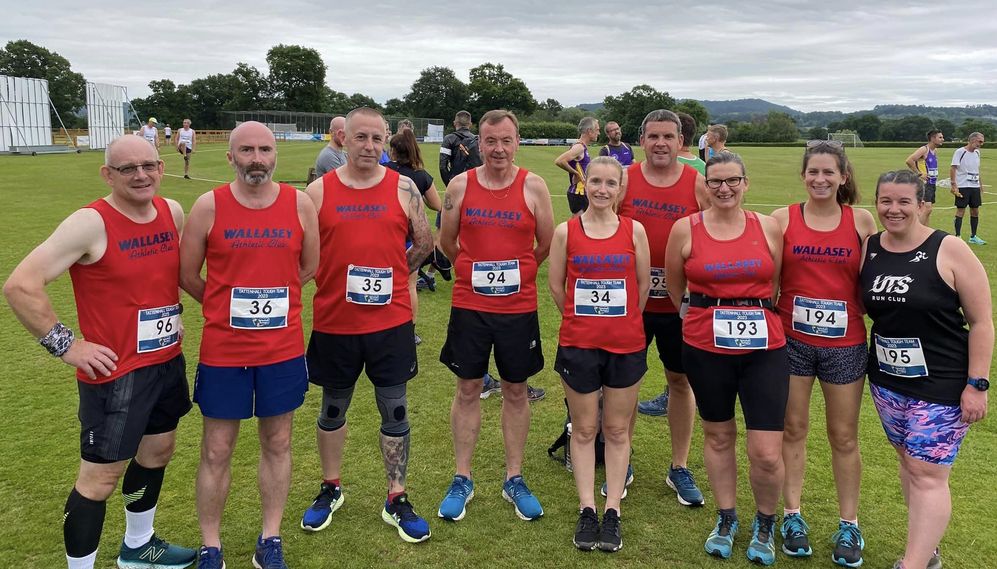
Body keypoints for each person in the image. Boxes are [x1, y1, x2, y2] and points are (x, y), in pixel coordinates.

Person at [4, 135, 196, 569]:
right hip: (116, 375)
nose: (141, 175)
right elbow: (20, 285)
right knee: (100, 478)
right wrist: (67, 345)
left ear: (162, 168)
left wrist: (175, 311)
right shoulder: (90, 223)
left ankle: (139, 545)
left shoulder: (172, 211)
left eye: (148, 165)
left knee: (157, 452)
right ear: (108, 174)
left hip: (165, 361)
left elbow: (161, 276)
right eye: (127, 168)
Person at [179, 121, 319, 569]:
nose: (256, 158)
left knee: (278, 442)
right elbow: (187, 275)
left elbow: (310, 266)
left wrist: (272, 301)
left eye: (264, 150)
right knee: (217, 448)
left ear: (276, 154)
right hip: (224, 351)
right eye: (246, 151)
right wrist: (225, 308)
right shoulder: (208, 206)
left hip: (282, 350)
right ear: (230, 156)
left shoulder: (300, 204)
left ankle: (270, 539)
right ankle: (211, 546)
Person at [297, 107, 435, 544]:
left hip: (389, 323)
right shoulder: (317, 192)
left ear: (387, 139)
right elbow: (302, 253)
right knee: (332, 408)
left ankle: (397, 496)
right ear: (344, 138)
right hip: (336, 323)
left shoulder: (405, 187)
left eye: (377, 138)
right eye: (361, 137)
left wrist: (395, 279)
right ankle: (330, 487)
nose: (370, 146)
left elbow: (424, 243)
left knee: (394, 409)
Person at [860, 170, 992, 569]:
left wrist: (977, 384)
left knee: (926, 470)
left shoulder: (949, 249)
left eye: (904, 202)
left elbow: (982, 321)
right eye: (886, 201)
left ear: (922, 205)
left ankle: (912, 564)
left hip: (943, 380)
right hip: (887, 380)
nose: (893, 209)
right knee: (909, 462)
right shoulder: (871, 247)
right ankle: (927, 550)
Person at [665, 151, 788, 564]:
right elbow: (675, 288)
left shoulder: (767, 227)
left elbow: (776, 283)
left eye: (732, 180)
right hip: (705, 347)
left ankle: (766, 522)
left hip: (764, 349)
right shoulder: (686, 229)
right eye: (715, 181)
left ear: (745, 183)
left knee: (767, 451)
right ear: (705, 186)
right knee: (718, 435)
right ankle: (726, 517)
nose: (723, 188)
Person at [437, 109, 555, 523]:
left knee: (516, 390)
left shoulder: (535, 187)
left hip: (517, 307)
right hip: (471, 305)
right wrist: (474, 273)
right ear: (478, 143)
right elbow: (447, 241)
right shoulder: (460, 185)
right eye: (491, 141)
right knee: (468, 388)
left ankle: (514, 477)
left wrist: (517, 274)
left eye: (506, 140)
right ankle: (462, 477)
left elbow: (545, 243)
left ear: (517, 141)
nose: (499, 149)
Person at [771, 141, 878, 565]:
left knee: (844, 436)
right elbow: (769, 279)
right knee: (792, 429)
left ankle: (849, 524)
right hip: (791, 341)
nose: (820, 179)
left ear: (843, 176)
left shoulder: (861, 220)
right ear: (803, 175)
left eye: (828, 172)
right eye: (813, 172)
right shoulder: (783, 219)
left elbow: (875, 280)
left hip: (845, 344)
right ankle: (792, 515)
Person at [548, 156, 650, 552]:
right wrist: (582, 320)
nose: (602, 189)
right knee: (585, 428)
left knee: (618, 430)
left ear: (620, 187)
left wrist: (619, 322)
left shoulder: (634, 231)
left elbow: (641, 288)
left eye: (611, 183)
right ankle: (587, 508)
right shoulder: (566, 231)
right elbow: (558, 287)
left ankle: (613, 511)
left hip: (625, 345)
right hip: (579, 345)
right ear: (583, 184)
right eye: (595, 182)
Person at [620, 109, 708, 507]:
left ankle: (679, 466)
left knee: (680, 382)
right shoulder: (624, 179)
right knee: (626, 385)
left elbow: (718, 232)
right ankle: (622, 462)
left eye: (668, 137)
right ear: (643, 140)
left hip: (680, 304)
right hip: (630, 303)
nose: (660, 143)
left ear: (680, 141)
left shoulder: (698, 182)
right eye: (653, 136)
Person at [385, 128, 443, 345]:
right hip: (409, 239)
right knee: (408, 286)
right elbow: (437, 205)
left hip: (385, 236)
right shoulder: (421, 176)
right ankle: (410, 331)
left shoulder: (382, 170)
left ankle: (382, 326)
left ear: (393, 151)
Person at [555, 117, 600, 215]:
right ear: (589, 131)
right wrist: (575, 173)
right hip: (578, 192)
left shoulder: (582, 147)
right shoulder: (579, 147)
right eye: (597, 130)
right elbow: (559, 161)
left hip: (582, 192)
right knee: (578, 226)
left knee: (582, 225)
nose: (599, 133)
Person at [949, 131, 986, 244]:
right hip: (963, 186)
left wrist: (980, 184)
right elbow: (953, 168)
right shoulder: (960, 152)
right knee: (961, 210)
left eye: (982, 142)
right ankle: (958, 236)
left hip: (974, 186)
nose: (981, 144)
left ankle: (973, 236)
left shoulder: (977, 153)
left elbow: (976, 169)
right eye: (979, 141)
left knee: (975, 211)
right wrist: (954, 184)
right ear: (972, 140)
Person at [905, 129, 944, 225]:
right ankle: (917, 231)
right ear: (932, 138)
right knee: (927, 208)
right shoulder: (924, 149)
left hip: (932, 183)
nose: (943, 139)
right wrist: (919, 173)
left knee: (927, 210)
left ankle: (925, 232)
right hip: (925, 184)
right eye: (940, 137)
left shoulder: (935, 150)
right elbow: (909, 160)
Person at [439, 110, 481, 188]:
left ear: (454, 123)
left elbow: (442, 166)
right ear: (470, 124)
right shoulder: (478, 140)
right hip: (475, 183)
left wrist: (449, 185)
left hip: (457, 182)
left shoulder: (448, 139)